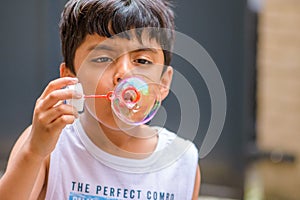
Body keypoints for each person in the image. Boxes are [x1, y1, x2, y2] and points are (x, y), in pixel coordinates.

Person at [0, 0, 201, 199]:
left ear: (163, 83)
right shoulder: (46, 145)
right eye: (103, 58)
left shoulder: (182, 162)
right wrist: (34, 152)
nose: (123, 74)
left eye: (142, 61)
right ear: (71, 77)